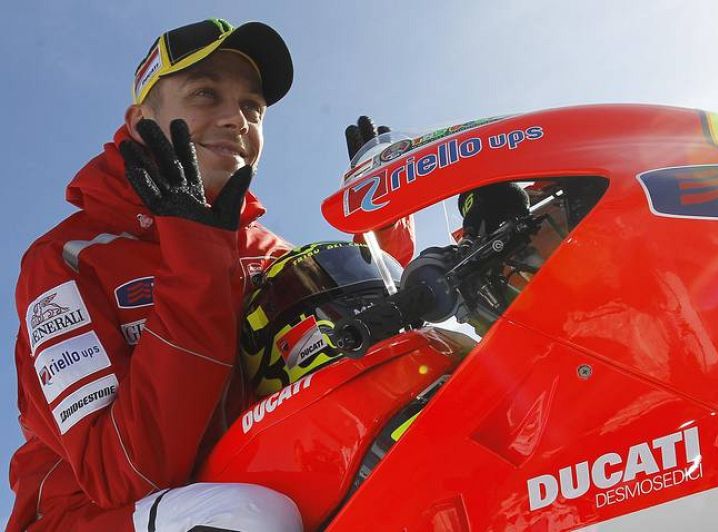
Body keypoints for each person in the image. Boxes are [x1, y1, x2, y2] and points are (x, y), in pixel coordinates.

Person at [7, 18, 413, 531]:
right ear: (140, 122)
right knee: (248, 517)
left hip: (259, 477)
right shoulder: (66, 259)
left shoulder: (268, 253)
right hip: (91, 516)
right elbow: (122, 470)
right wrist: (195, 260)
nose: (236, 119)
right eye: (206, 94)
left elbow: (348, 360)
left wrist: (381, 233)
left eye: (252, 107)